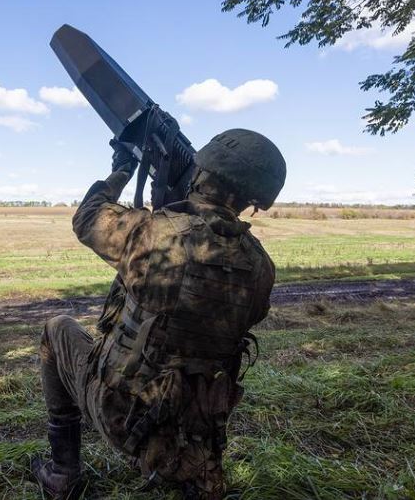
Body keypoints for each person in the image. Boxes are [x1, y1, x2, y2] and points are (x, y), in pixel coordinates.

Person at [31, 129, 286, 499]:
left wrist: (122, 168)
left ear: (202, 172)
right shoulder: (260, 264)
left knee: (57, 329)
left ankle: (62, 473)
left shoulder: (156, 234)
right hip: (196, 430)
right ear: (255, 201)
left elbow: (87, 218)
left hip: (122, 414)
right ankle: (192, 473)